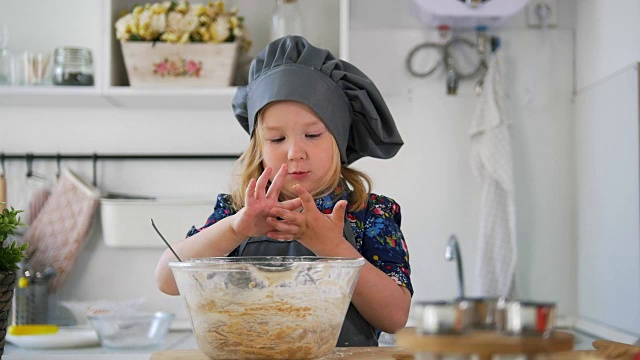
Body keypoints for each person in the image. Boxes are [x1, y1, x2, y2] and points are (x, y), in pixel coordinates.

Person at [155, 35, 412, 347]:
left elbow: (395, 317)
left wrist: (333, 247)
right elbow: (167, 279)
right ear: (258, 148)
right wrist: (236, 229)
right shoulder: (237, 210)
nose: (294, 152)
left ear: (339, 138)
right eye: (277, 139)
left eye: (313, 134)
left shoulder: (369, 213)